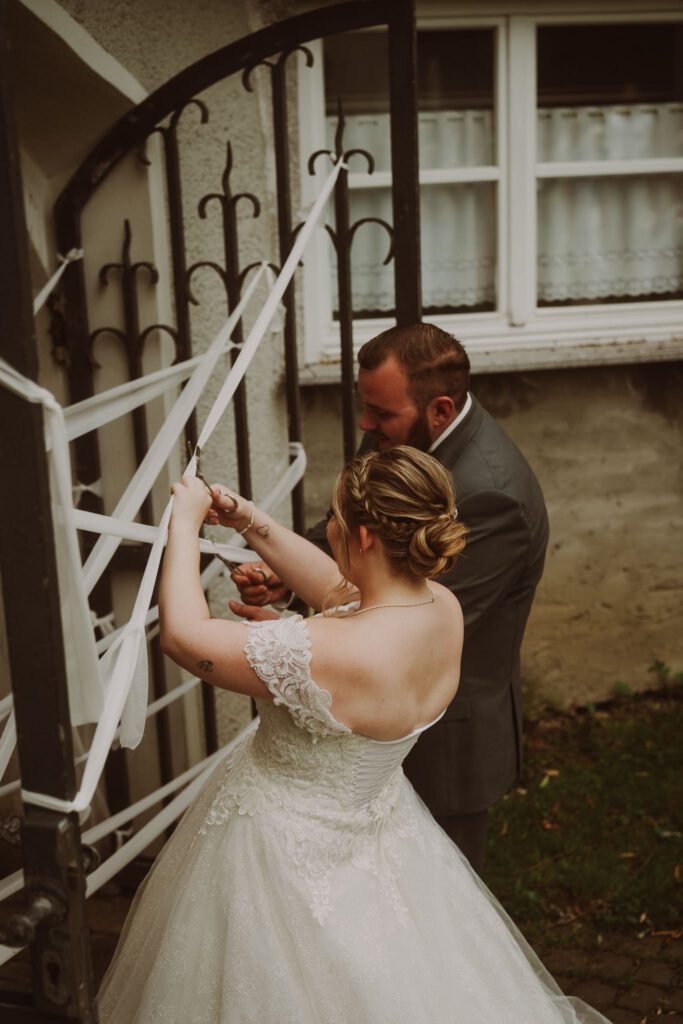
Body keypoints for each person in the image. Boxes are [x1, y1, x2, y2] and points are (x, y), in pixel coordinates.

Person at [98, 447, 607, 1024]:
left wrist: (184, 524)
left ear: (363, 536)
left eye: (334, 516)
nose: (329, 527)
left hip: (276, 856)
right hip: (377, 831)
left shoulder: (334, 652)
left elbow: (185, 639)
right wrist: (247, 520)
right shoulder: (442, 608)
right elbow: (338, 594)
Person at [231, 324, 549, 873]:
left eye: (380, 414)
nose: (365, 424)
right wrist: (289, 572)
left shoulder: (492, 497)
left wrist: (293, 634)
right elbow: (351, 521)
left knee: (438, 910)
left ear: (440, 410)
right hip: (367, 732)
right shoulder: (399, 431)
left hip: (442, 740)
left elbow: (406, 620)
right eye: (365, 407)